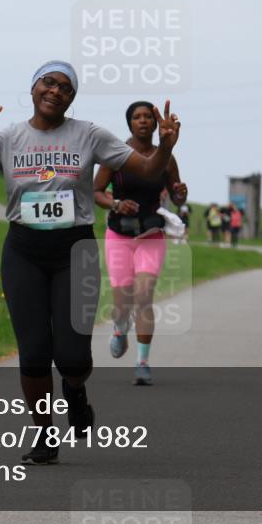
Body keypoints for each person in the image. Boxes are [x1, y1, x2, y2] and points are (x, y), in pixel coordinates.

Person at [0, 60, 181, 466]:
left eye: (66, 87)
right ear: (33, 88)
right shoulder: (7, 138)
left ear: (72, 98)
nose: (55, 91)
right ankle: (45, 435)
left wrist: (167, 147)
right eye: (48, 82)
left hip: (75, 252)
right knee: (32, 353)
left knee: (72, 358)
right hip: (23, 251)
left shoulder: (89, 135)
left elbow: (148, 168)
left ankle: (76, 390)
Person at [94, 101, 188, 386]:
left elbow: (177, 195)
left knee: (144, 295)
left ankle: (142, 363)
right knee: (123, 301)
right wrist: (116, 203)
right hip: (120, 236)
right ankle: (121, 328)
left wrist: (181, 194)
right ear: (129, 123)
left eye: (148, 116)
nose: (144, 121)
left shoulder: (166, 157)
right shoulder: (116, 155)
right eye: (137, 117)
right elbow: (96, 191)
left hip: (150, 235)